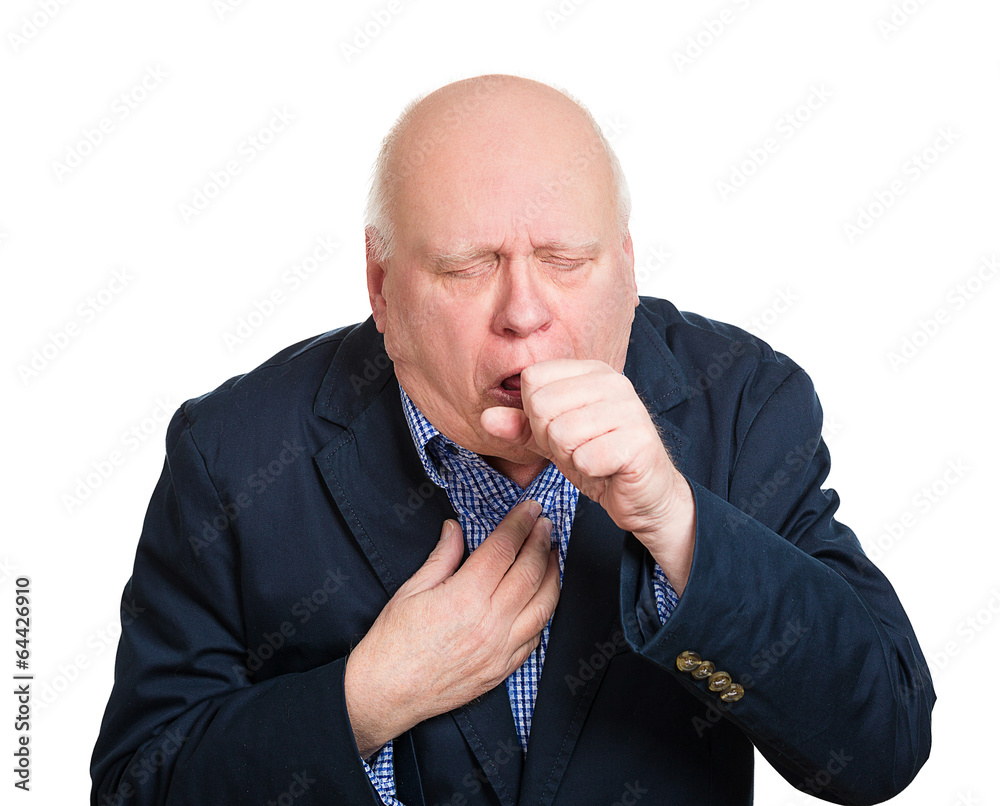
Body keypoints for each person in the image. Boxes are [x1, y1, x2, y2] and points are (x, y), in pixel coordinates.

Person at [91, 74, 934, 805]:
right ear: (382, 289)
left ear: (630, 269)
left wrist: (678, 524)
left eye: (566, 260)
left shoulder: (744, 404)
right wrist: (365, 699)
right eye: (467, 267)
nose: (525, 314)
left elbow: (881, 745)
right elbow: (137, 785)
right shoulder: (232, 453)